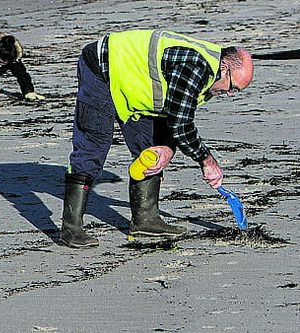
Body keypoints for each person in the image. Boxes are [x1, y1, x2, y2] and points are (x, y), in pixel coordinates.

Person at [59, 30, 253, 249]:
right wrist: (207, 162)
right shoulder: (196, 68)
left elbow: (175, 115)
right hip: (102, 67)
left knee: (152, 147)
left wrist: (167, 148)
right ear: (225, 68)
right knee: (93, 145)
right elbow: (181, 125)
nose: (231, 94)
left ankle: (146, 220)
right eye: (233, 87)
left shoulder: (211, 74)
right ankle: (71, 228)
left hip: (134, 82)